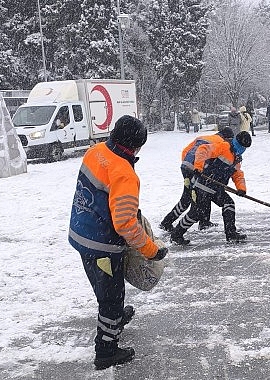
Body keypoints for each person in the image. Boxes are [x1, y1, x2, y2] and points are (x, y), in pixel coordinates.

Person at [68, 115, 169, 370]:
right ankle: (106, 350)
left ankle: (113, 319)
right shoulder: (123, 173)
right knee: (111, 297)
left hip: (82, 231)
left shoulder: (97, 151)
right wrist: (151, 250)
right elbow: (125, 224)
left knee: (106, 290)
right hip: (102, 245)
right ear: (135, 147)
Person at [170, 131, 252, 245]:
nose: (242, 149)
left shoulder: (237, 158)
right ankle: (176, 234)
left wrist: (241, 188)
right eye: (241, 146)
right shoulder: (224, 146)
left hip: (216, 189)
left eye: (244, 148)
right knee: (196, 213)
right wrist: (198, 167)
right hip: (202, 185)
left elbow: (237, 174)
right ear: (236, 141)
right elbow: (202, 150)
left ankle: (231, 233)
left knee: (229, 204)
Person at [159, 127, 235, 232]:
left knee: (203, 194)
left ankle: (204, 221)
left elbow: (186, 150)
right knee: (189, 198)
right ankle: (167, 223)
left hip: (186, 167)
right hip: (197, 169)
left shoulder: (203, 137)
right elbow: (211, 158)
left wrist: (187, 166)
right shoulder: (222, 143)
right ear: (227, 138)